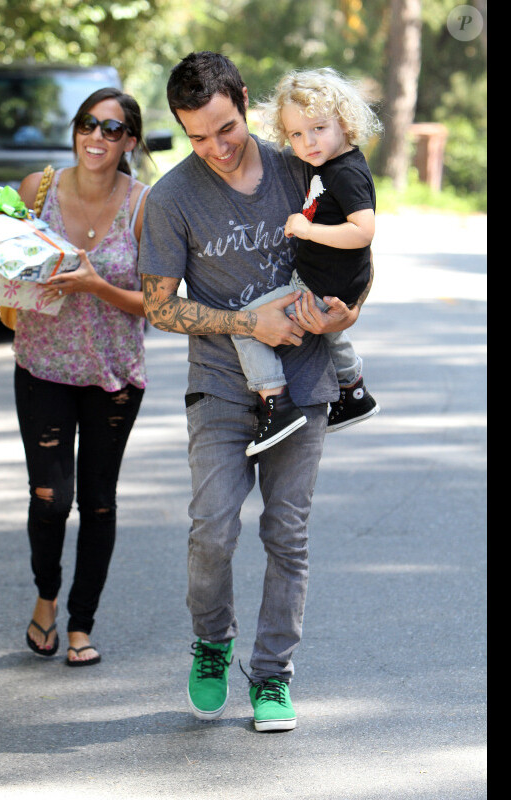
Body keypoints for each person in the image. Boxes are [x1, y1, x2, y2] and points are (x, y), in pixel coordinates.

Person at [139, 52, 372, 731]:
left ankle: (273, 677)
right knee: (212, 529)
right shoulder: (171, 198)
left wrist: (349, 312)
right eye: (196, 136)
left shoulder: (302, 163)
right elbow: (158, 306)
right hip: (219, 385)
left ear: (243, 101)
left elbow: (359, 252)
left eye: (225, 129)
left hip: (304, 383)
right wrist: (246, 322)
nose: (213, 148)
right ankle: (213, 643)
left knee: (286, 533)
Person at [17, 87, 151, 666]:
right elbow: (1, 262)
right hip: (42, 366)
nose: (97, 137)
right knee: (51, 501)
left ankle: (80, 624)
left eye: (112, 129)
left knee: (98, 503)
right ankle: (46, 596)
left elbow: (157, 302)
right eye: (88, 124)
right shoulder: (36, 190)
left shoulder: (146, 206)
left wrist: (96, 284)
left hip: (115, 377)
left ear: (130, 141)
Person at [231, 67, 382, 457]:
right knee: (328, 329)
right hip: (327, 282)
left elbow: (363, 231)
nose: (308, 142)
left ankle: (276, 405)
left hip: (319, 284)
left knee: (247, 323)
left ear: (344, 122)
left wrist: (306, 229)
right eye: (296, 134)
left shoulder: (346, 173)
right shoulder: (329, 165)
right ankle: (354, 390)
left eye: (318, 128)